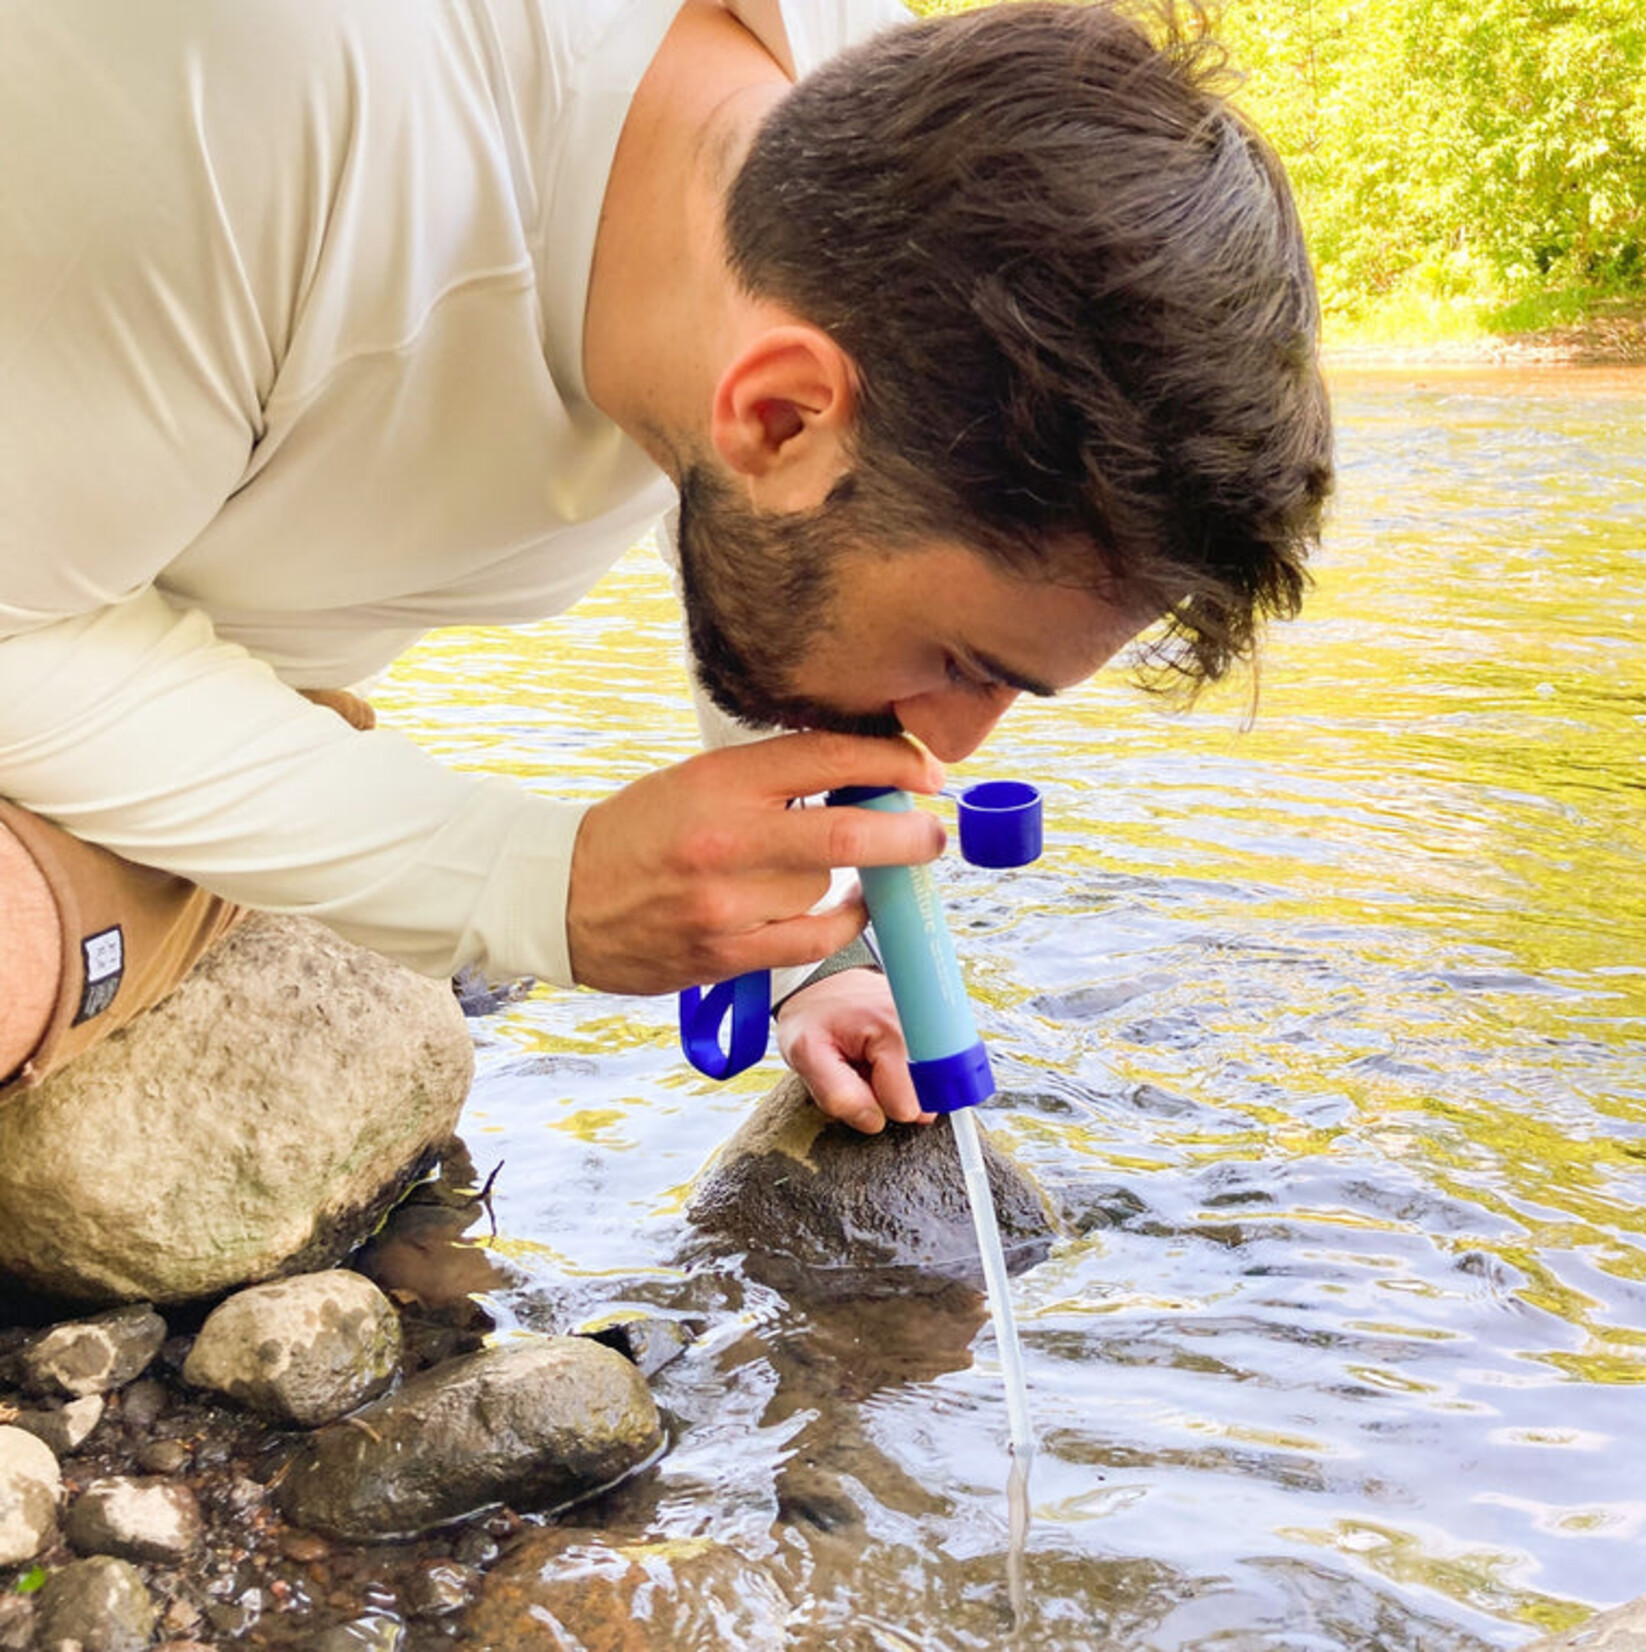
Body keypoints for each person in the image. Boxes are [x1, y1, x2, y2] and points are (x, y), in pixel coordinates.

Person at [0, 0, 1332, 1135]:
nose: (947, 753)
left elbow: (779, 543)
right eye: (964, 666)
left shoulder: (850, 134)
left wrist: (830, 945)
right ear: (777, 414)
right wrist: (531, 882)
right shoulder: (253, 115)